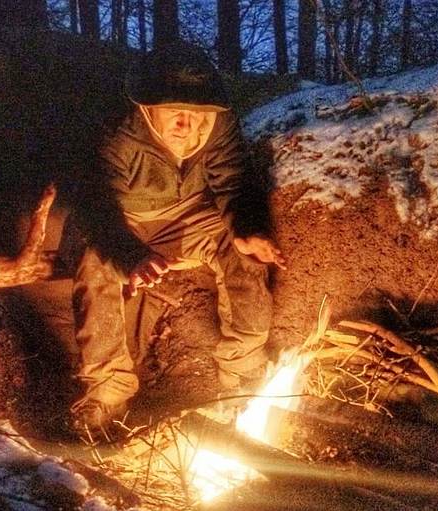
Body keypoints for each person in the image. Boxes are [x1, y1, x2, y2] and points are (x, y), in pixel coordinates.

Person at [66, 42, 285, 436]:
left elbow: (232, 181)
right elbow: (94, 207)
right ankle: (107, 393)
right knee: (96, 264)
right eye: (174, 112)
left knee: (240, 251)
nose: (186, 124)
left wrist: (247, 228)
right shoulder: (116, 129)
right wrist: (131, 256)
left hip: (186, 216)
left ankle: (243, 373)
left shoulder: (217, 124)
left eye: (195, 113)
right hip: (119, 222)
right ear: (149, 107)